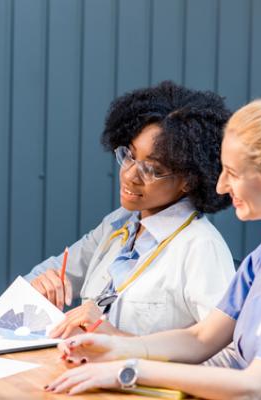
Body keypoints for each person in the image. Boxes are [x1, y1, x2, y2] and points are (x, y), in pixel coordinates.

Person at [46, 73, 261, 399]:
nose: (220, 187)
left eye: (232, 173)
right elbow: (202, 338)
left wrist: (129, 369)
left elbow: (255, 387)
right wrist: (116, 346)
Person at [25, 81, 236, 341]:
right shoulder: (120, 223)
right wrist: (39, 286)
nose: (129, 175)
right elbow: (46, 275)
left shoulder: (201, 247)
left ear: (189, 180)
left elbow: (228, 354)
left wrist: (114, 337)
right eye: (129, 155)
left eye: (152, 169)